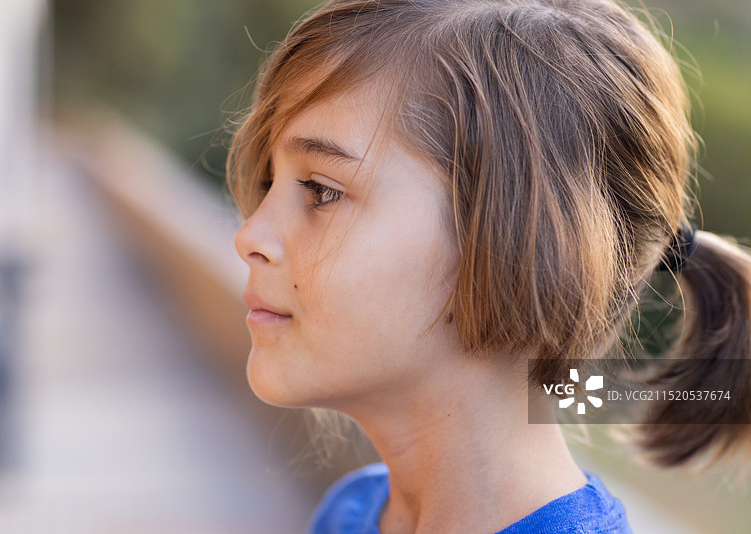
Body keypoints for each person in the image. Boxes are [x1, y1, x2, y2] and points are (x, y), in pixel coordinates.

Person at [227, 0, 751, 532]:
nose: (250, 235)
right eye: (272, 182)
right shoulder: (353, 511)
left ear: (523, 242)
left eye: (321, 190)